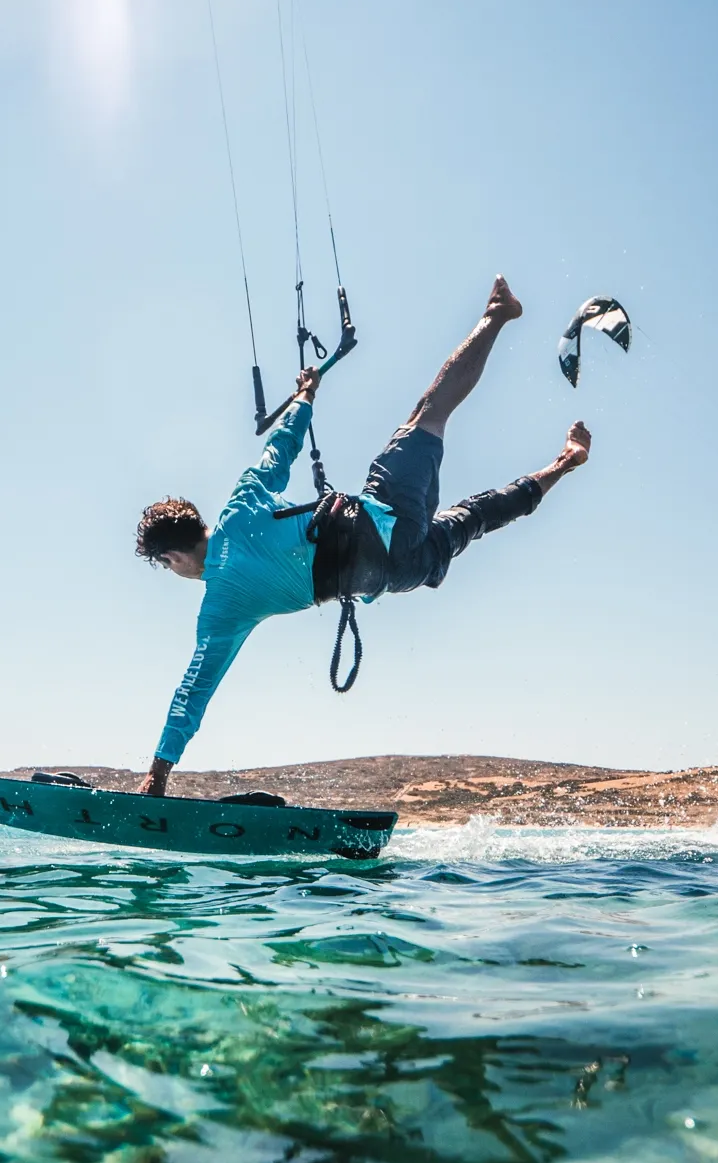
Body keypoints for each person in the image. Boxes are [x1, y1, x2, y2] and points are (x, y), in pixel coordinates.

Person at [135, 275, 591, 796]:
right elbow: (281, 446)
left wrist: (158, 774)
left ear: (172, 555)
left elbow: (194, 690)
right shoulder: (243, 503)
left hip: (395, 574)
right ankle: (497, 318)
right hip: (382, 523)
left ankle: (561, 460)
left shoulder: (221, 606)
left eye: (168, 566)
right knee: (428, 415)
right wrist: (307, 393)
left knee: (476, 516)